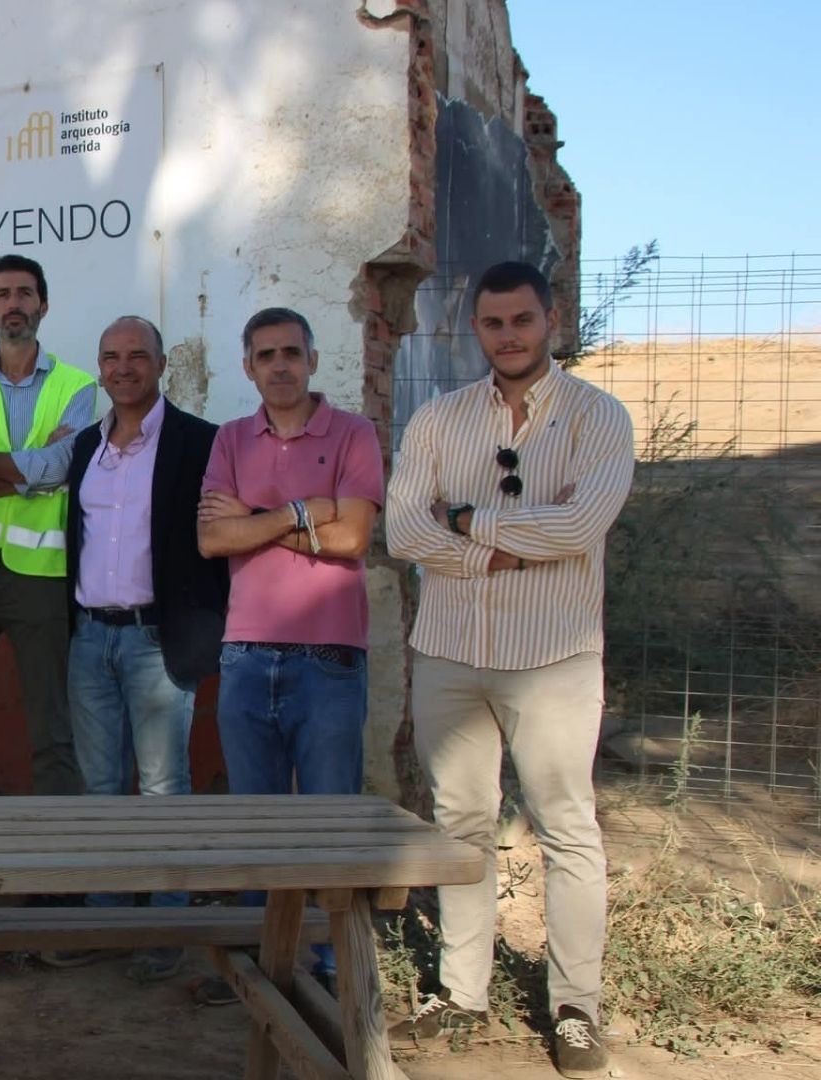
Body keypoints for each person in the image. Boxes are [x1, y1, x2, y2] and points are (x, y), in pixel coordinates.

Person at [386, 261, 633, 1080]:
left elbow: (581, 526)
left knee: (567, 826)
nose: (509, 336)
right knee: (460, 823)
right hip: (452, 650)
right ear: (475, 329)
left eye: (522, 320)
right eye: (493, 323)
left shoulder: (598, 417)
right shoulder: (439, 419)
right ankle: (462, 993)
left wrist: (465, 521)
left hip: (554, 654)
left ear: (551, 319)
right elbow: (403, 532)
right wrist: (498, 552)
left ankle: (576, 1008)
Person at [196, 307, 384, 993]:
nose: (280, 365)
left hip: (329, 655)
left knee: (331, 815)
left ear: (312, 360)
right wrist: (305, 511)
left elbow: (353, 537)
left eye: (292, 353)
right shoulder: (231, 440)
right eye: (267, 355)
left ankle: (337, 967)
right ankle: (261, 960)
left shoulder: (354, 433)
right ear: (248, 366)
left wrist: (257, 521)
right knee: (257, 820)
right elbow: (213, 540)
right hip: (246, 654)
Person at [41, 317, 227, 983]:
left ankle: (167, 922)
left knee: (163, 786)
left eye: (137, 356)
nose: (123, 368)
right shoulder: (86, 446)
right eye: (111, 357)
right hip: (90, 635)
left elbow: (218, 543)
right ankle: (106, 914)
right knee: (99, 786)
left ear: (161, 364)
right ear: (99, 367)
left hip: (156, 639)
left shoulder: (199, 442)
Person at [0, 253, 96, 797]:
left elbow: (65, 465)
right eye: (3, 295)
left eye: (25, 294)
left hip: (41, 576)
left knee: (52, 721)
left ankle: (58, 842)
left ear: (43, 306)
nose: (14, 304)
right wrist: (33, 474)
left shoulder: (78, 385)